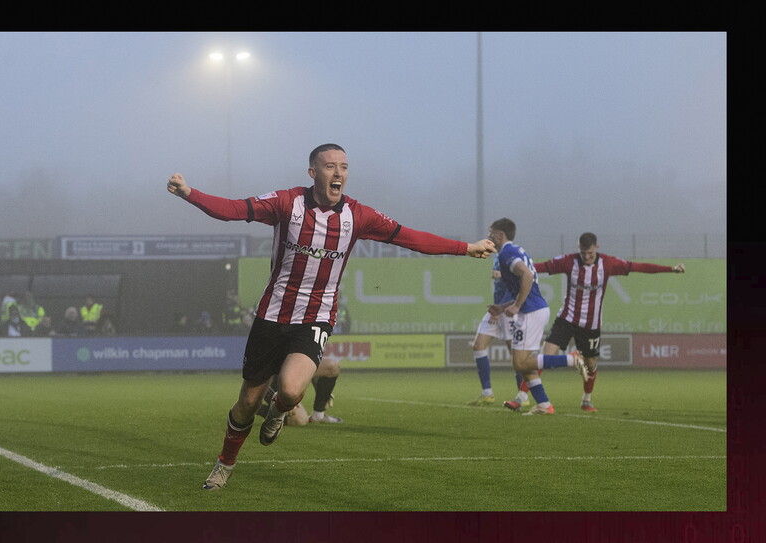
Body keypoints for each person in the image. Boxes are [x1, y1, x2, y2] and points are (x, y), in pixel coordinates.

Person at [167, 143, 496, 490]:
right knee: (247, 402)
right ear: (313, 173)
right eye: (330, 167)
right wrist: (190, 193)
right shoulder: (286, 203)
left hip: (316, 317)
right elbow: (234, 210)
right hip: (273, 315)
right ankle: (224, 463)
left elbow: (410, 237)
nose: (338, 173)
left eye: (344, 167)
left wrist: (466, 247)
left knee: (292, 392)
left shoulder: (359, 216)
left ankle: (279, 411)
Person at [532, 232, 685, 412]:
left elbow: (638, 266)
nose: (587, 257)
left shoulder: (608, 263)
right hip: (566, 318)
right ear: (578, 250)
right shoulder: (568, 261)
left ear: (597, 247)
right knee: (544, 356)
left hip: (591, 325)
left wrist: (670, 269)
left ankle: (586, 400)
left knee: (590, 364)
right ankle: (522, 396)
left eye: (590, 253)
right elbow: (539, 267)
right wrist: (511, 268)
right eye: (583, 254)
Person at [486, 218, 591, 416]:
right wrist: (502, 307)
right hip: (534, 309)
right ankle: (543, 404)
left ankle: (571, 359)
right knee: (525, 364)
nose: (488, 237)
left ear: (500, 235)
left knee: (520, 363)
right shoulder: (516, 251)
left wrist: (517, 305)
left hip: (530, 312)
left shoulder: (507, 253)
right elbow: (525, 283)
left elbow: (526, 275)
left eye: (491, 233)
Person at [467, 257, 514, 407]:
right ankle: (487, 394)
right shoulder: (498, 257)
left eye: (492, 233)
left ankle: (523, 395)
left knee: (518, 356)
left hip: (507, 312)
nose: (490, 236)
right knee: (478, 346)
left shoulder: (511, 257)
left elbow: (515, 288)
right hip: (496, 309)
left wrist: (500, 308)